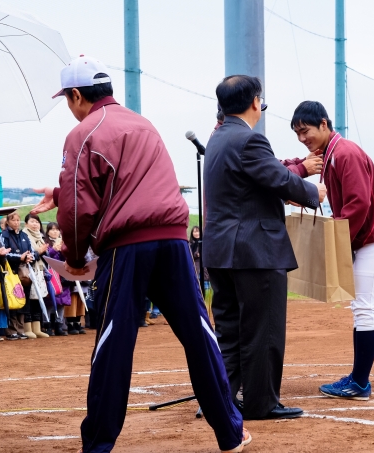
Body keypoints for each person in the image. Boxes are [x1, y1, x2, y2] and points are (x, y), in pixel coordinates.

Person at [31, 55, 249, 453]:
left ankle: (98, 445)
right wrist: (60, 193)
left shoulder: (82, 133)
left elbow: (79, 210)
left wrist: (75, 257)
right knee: (199, 334)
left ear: (76, 95)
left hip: (127, 246)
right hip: (173, 240)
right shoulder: (143, 124)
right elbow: (131, 184)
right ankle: (231, 433)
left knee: (114, 343)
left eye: (68, 99)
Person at [203, 75, 326, 420]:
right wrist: (313, 192)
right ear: (255, 102)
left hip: (221, 250)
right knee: (263, 329)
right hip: (255, 250)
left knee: (229, 331)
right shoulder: (249, 139)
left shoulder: (217, 137)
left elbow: (252, 185)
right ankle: (261, 402)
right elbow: (278, 178)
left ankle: (223, 399)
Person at [290, 101, 374, 400]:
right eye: (297, 133)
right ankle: (358, 378)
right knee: (361, 307)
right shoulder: (330, 154)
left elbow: (359, 204)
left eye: (306, 130)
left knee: (365, 307)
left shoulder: (345, 153)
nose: (302, 138)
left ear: (324, 124)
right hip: (367, 239)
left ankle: (360, 383)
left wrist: (338, 245)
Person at [0, 212, 35, 340]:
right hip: (10, 273)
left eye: (18, 220)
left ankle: (21, 329)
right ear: (8, 222)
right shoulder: (3, 235)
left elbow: (31, 251)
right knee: (12, 300)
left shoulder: (24, 235)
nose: (16, 222)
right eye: (13, 220)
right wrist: (20, 257)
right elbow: (4, 253)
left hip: (24, 273)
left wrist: (29, 257)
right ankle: (11, 330)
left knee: (23, 300)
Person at [23, 213, 50, 338]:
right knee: (29, 299)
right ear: (26, 223)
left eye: (37, 222)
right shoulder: (25, 236)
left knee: (38, 298)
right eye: (32, 221)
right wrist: (39, 251)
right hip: (28, 271)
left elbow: (46, 255)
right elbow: (29, 254)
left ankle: (37, 328)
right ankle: (28, 328)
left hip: (39, 271)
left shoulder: (40, 237)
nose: (35, 224)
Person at [46, 222, 70, 335]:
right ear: (47, 231)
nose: (55, 232)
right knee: (50, 302)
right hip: (51, 275)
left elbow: (67, 258)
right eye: (52, 229)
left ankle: (59, 325)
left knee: (61, 302)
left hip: (63, 275)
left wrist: (64, 250)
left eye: (57, 229)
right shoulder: (45, 242)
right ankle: (47, 325)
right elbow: (46, 257)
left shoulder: (64, 242)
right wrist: (54, 249)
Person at [190, 226, 209, 291]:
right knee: (196, 289)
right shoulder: (190, 244)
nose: (196, 233)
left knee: (206, 289)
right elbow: (189, 255)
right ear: (192, 233)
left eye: (198, 231)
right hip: (195, 268)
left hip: (204, 268)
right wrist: (196, 254)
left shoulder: (205, 242)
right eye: (195, 232)